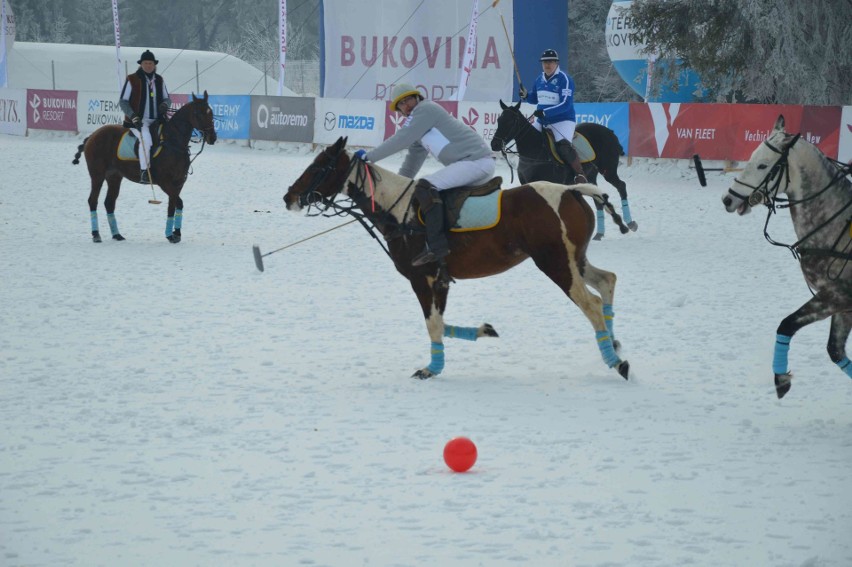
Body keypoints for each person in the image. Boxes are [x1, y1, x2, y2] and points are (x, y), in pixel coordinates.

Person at [354, 83, 496, 267]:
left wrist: (369, 156)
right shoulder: (420, 131)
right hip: (469, 165)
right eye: (401, 104)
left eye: (409, 100)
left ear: (417, 98)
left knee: (426, 186)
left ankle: (437, 246)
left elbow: (401, 139)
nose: (406, 105)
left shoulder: (426, 109)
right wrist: (396, 189)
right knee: (425, 187)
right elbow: (411, 164)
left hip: (476, 162)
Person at [519, 49, 587, 184]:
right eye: (544, 62)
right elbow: (534, 99)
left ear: (556, 63)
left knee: (563, 147)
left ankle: (578, 175)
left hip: (563, 120)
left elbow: (566, 104)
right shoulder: (539, 79)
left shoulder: (565, 79)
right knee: (527, 137)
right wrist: (526, 95)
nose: (547, 65)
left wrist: (546, 112)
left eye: (550, 62)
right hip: (542, 120)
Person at [119, 50, 172, 184]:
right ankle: (144, 172)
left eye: (150, 63)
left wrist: (165, 105)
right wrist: (133, 116)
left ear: (154, 65)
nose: (148, 65)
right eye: (145, 63)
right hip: (138, 121)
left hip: (157, 120)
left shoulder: (159, 80)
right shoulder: (132, 79)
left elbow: (167, 98)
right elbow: (123, 101)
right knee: (146, 141)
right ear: (141, 64)